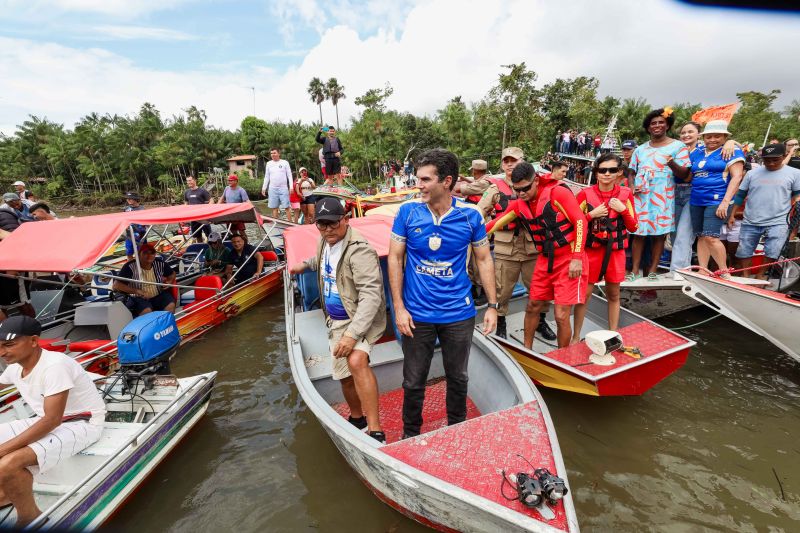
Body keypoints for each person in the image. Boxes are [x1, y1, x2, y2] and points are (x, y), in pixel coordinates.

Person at [388, 149, 497, 439]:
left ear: (446, 181)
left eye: (425, 179)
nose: (419, 185)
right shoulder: (407, 212)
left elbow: (484, 260)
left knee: (458, 377)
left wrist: (493, 305)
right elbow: (395, 258)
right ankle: (410, 435)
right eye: (418, 178)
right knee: (413, 381)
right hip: (416, 313)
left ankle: (457, 430)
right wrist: (398, 307)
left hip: (458, 312)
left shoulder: (470, 215)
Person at [290, 197, 386, 443]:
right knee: (343, 375)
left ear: (345, 220)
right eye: (322, 225)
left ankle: (375, 430)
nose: (328, 230)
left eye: (333, 224)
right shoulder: (325, 242)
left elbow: (371, 296)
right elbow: (322, 262)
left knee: (356, 361)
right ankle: (357, 418)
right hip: (334, 320)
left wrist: (352, 334)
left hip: (359, 318)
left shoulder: (359, 250)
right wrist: (303, 266)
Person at [0, 315, 106, 527]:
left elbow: (51, 421)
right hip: (46, 420)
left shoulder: (55, 366)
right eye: (0, 346)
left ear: (33, 341)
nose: (2, 352)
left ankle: (30, 517)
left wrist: (4, 449)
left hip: (82, 422)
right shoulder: (15, 367)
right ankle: (7, 493)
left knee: (9, 462)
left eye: (9, 345)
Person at [486, 162, 588, 348]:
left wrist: (577, 257)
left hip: (569, 258)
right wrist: (467, 236)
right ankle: (528, 350)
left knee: (561, 314)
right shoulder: (519, 204)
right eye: (517, 190)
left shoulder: (558, 193)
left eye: (525, 188)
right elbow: (495, 224)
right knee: (532, 305)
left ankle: (562, 358)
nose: (521, 193)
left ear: (536, 181)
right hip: (545, 259)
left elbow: (581, 222)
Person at [477, 148, 556, 341]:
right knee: (501, 290)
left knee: (540, 289)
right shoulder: (495, 189)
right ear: (502, 164)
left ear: (523, 161)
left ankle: (540, 321)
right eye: (506, 161)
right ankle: (501, 323)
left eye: (514, 160)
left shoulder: (537, 186)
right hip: (506, 249)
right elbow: (479, 212)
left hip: (533, 247)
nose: (510, 164)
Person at [572, 155, 638, 343]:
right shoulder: (585, 194)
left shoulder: (625, 194)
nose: (607, 174)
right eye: (602, 170)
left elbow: (633, 227)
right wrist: (591, 215)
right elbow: (573, 224)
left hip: (615, 252)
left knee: (614, 294)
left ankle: (613, 334)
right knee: (584, 295)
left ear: (619, 172)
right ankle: (576, 336)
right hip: (592, 251)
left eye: (612, 170)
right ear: (596, 173)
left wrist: (623, 210)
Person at [628, 108, 690, 281]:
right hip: (642, 195)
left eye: (661, 122)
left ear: (667, 125)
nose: (657, 125)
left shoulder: (678, 146)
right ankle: (634, 271)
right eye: (653, 123)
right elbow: (631, 171)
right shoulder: (640, 149)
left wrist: (671, 164)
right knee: (638, 233)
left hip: (664, 194)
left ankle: (654, 271)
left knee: (659, 235)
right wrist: (632, 187)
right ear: (648, 128)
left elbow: (684, 173)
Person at [732, 143, 800, 279]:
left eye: (775, 159)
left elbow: (797, 194)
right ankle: (746, 275)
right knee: (744, 250)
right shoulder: (752, 173)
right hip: (751, 218)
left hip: (779, 220)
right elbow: (740, 195)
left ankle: (760, 275)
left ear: (784, 156)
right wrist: (732, 214)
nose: (771, 163)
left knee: (773, 250)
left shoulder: (795, 173)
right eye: (767, 160)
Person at [687, 120, 745, 274]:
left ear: (725, 137)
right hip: (696, 199)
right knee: (700, 237)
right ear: (703, 138)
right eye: (709, 136)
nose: (712, 139)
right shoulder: (697, 152)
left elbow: (737, 177)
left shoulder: (732, 151)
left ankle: (724, 272)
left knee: (711, 237)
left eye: (717, 136)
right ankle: (703, 270)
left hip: (718, 200)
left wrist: (725, 203)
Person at [113, 243, 177, 316]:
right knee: (146, 311)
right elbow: (116, 285)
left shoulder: (160, 263)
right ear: (139, 255)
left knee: (170, 305)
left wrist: (169, 281)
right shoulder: (130, 267)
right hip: (138, 298)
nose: (149, 255)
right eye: (145, 253)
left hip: (158, 295)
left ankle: (167, 325)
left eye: (152, 253)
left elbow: (172, 274)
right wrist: (137, 291)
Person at [261, 148, 294, 221]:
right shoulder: (269, 163)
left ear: (279, 154)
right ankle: (276, 224)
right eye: (271, 153)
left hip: (283, 188)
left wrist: (291, 187)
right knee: (274, 208)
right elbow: (267, 177)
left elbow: (289, 175)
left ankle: (291, 224)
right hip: (272, 188)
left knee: (287, 207)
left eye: (274, 153)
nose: (273, 154)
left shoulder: (285, 162)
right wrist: (264, 188)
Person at [183, 176, 213, 242]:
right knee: (197, 235)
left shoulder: (202, 191)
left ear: (194, 180)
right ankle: (200, 248)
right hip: (194, 218)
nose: (188, 182)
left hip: (203, 217)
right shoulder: (186, 192)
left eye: (190, 180)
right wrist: (184, 214)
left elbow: (211, 200)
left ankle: (211, 248)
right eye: (187, 181)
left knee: (209, 235)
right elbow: (186, 203)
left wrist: (208, 209)